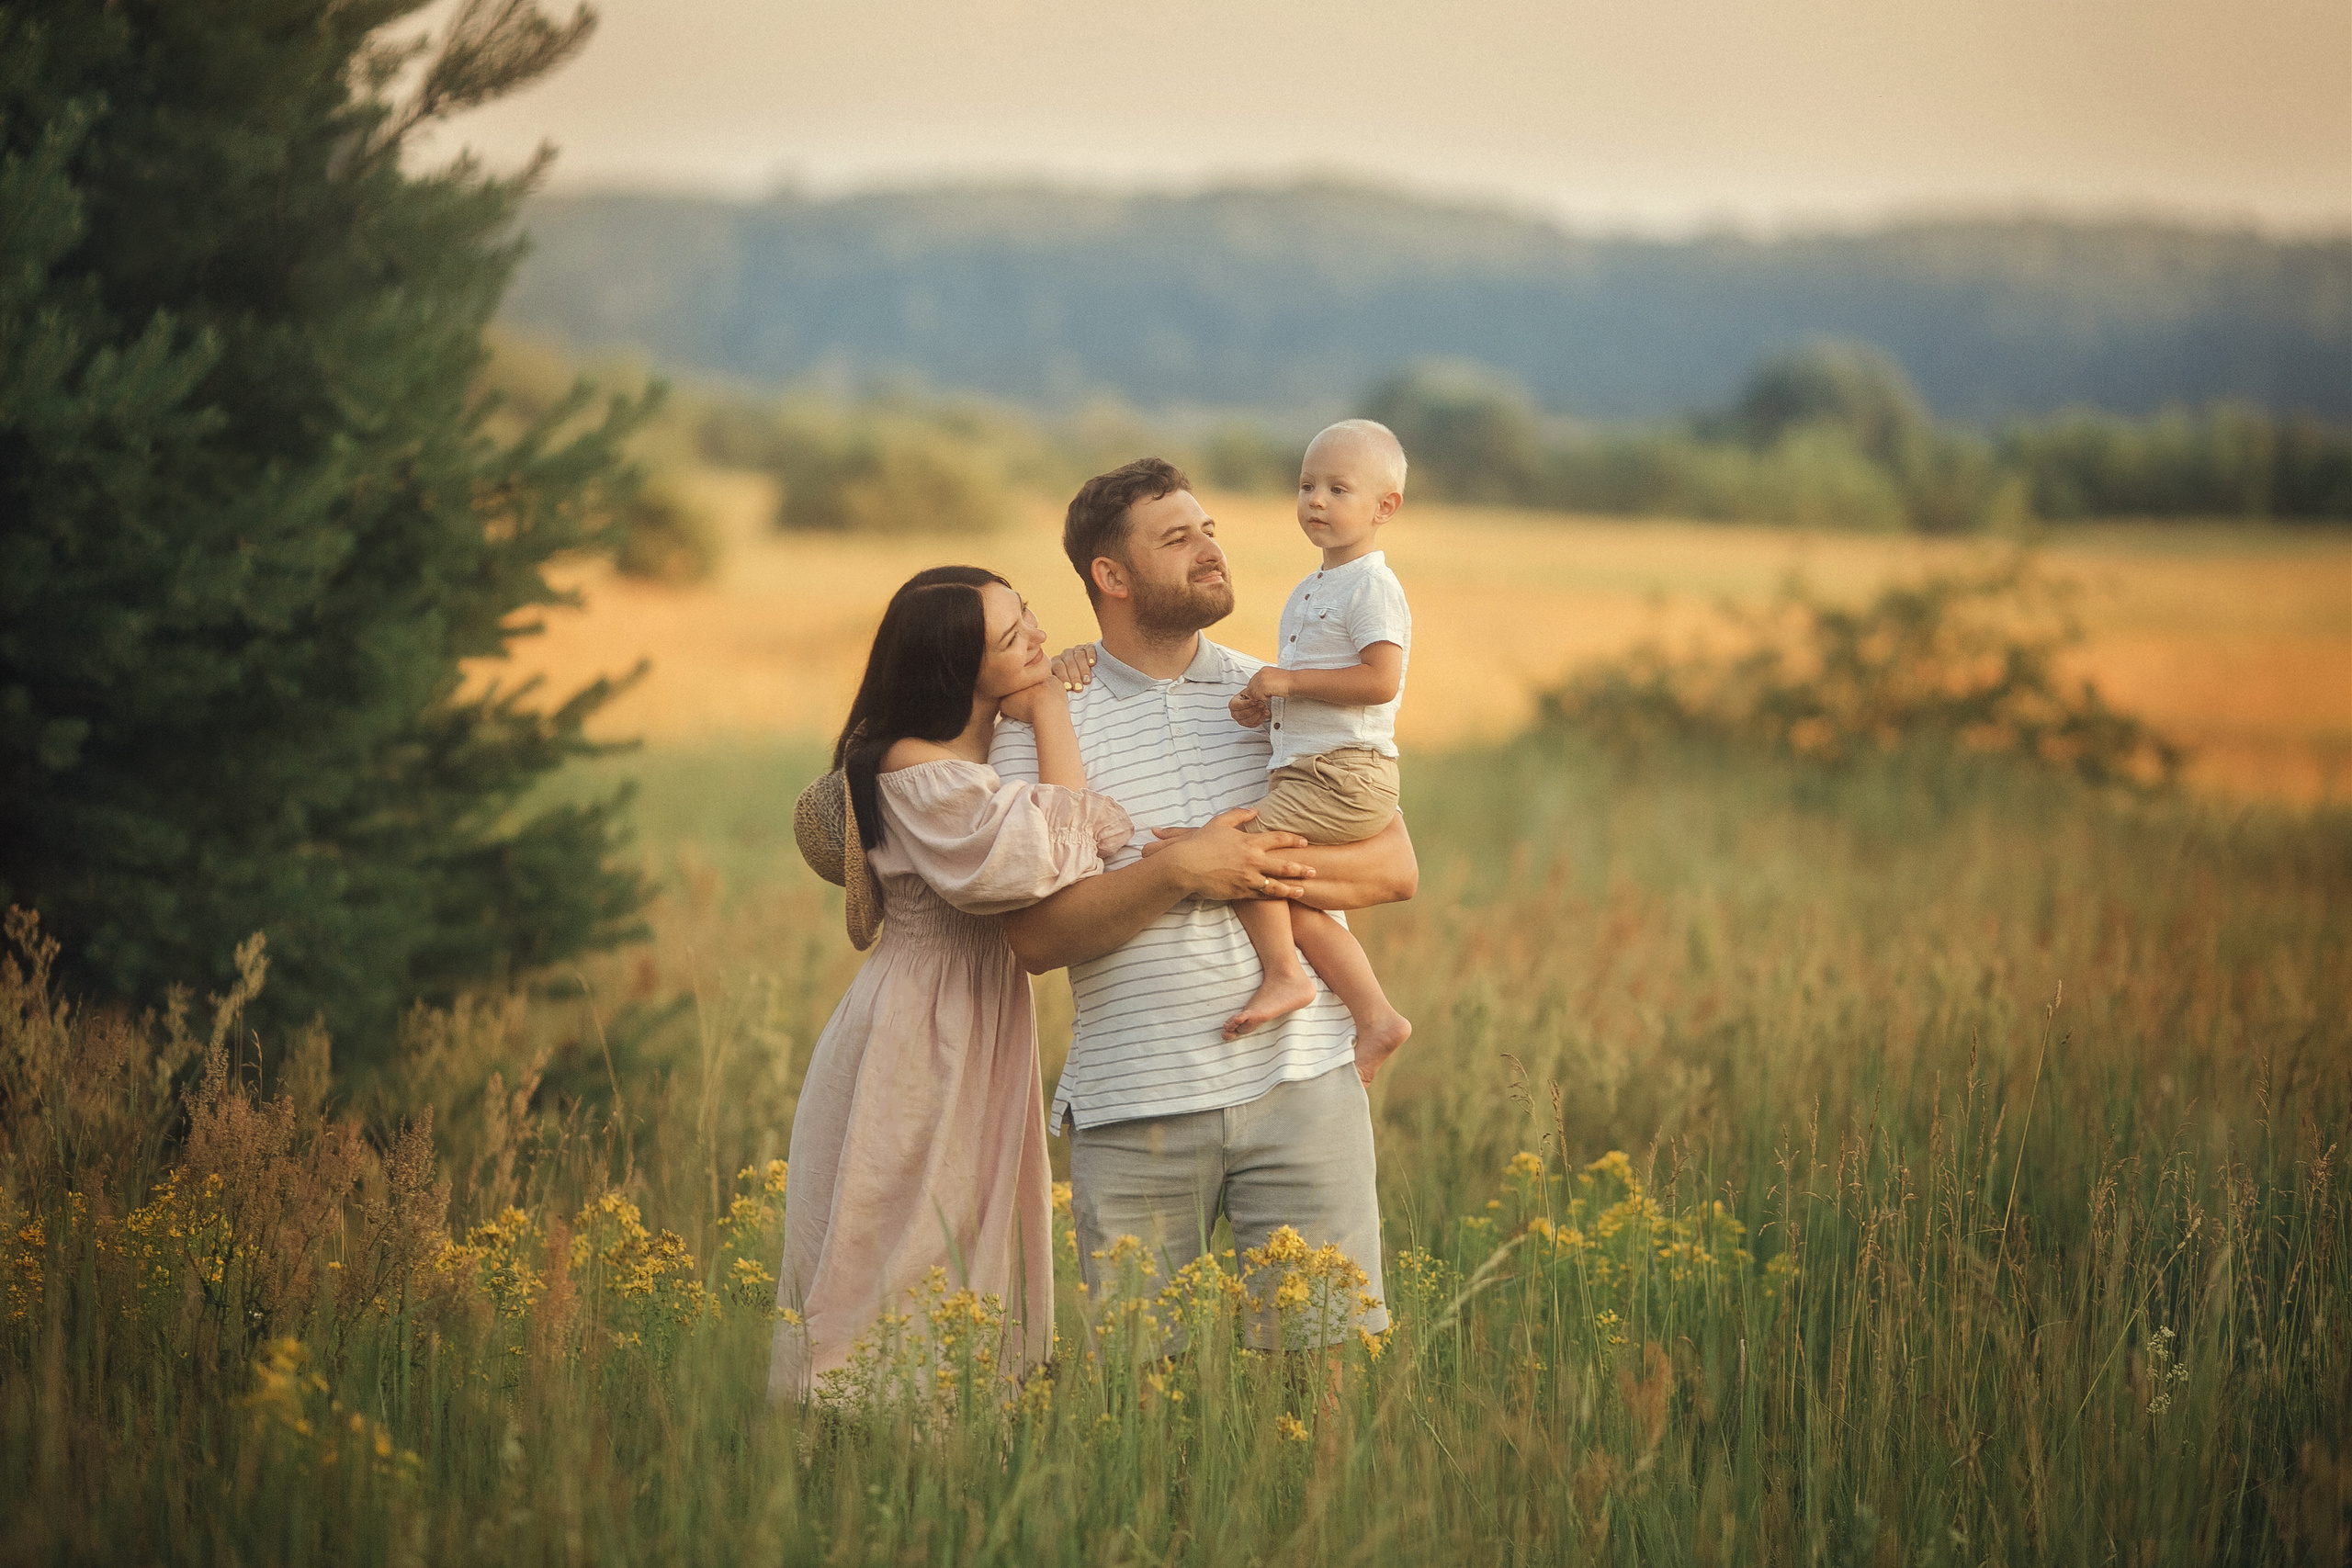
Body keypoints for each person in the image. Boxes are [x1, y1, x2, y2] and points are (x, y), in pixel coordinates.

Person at [989, 458, 1419, 1350]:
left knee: (1326, 1372)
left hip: (1307, 1081)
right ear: (1110, 576)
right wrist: (1184, 873)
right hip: (1136, 1099)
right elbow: (1034, 939)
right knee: (1146, 1399)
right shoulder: (1041, 720)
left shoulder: (1278, 691)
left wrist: (1240, 865)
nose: (1209, 551)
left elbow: (1391, 870)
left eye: (1209, 530)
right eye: (1176, 539)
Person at [769, 565, 1130, 1401]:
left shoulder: (969, 758)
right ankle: (859, 1430)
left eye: (1028, 614)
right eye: (1012, 639)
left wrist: (1033, 707)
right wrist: (1047, 709)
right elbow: (1049, 857)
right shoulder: (917, 769)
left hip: (975, 1013)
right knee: (900, 1232)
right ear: (955, 670)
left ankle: (954, 1431)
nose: (1040, 637)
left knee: (970, 1227)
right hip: (921, 1023)